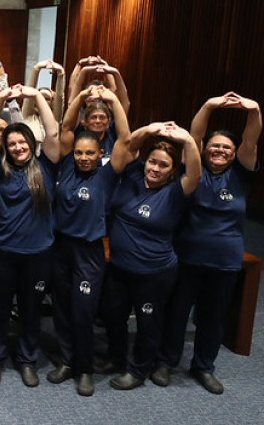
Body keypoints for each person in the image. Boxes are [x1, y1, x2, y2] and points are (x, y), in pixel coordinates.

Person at [153, 93, 261, 394]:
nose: (220, 151)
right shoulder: (195, 171)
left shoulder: (240, 174)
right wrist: (211, 105)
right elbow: (195, 134)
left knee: (213, 316)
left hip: (225, 260)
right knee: (177, 312)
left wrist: (254, 111)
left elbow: (251, 140)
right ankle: (166, 361)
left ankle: (203, 366)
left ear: (234, 152)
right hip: (187, 256)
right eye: (215, 146)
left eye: (226, 147)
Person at [101, 121, 202, 391]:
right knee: (113, 316)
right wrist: (149, 129)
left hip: (154, 274)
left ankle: (138, 370)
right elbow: (128, 145)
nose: (155, 168)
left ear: (173, 170)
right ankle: (116, 358)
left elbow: (195, 173)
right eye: (152, 162)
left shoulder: (176, 191)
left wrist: (188, 141)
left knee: (148, 324)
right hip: (120, 268)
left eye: (164, 165)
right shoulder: (133, 176)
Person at [46, 86, 130, 396]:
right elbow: (66, 128)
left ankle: (85, 369)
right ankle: (67, 361)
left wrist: (112, 101)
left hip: (89, 253)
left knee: (83, 312)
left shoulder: (107, 175)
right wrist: (80, 97)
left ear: (100, 155)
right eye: (79, 152)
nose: (83, 157)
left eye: (89, 153)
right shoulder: (67, 166)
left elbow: (126, 139)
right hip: (60, 248)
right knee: (62, 309)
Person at [0, 84, 60, 388]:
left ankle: (27, 360)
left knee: (31, 310)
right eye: (11, 143)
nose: (17, 147)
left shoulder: (46, 167)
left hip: (38, 254)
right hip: (2, 251)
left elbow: (53, 134)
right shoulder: (0, 169)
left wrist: (36, 95)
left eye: (21, 142)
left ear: (30, 142)